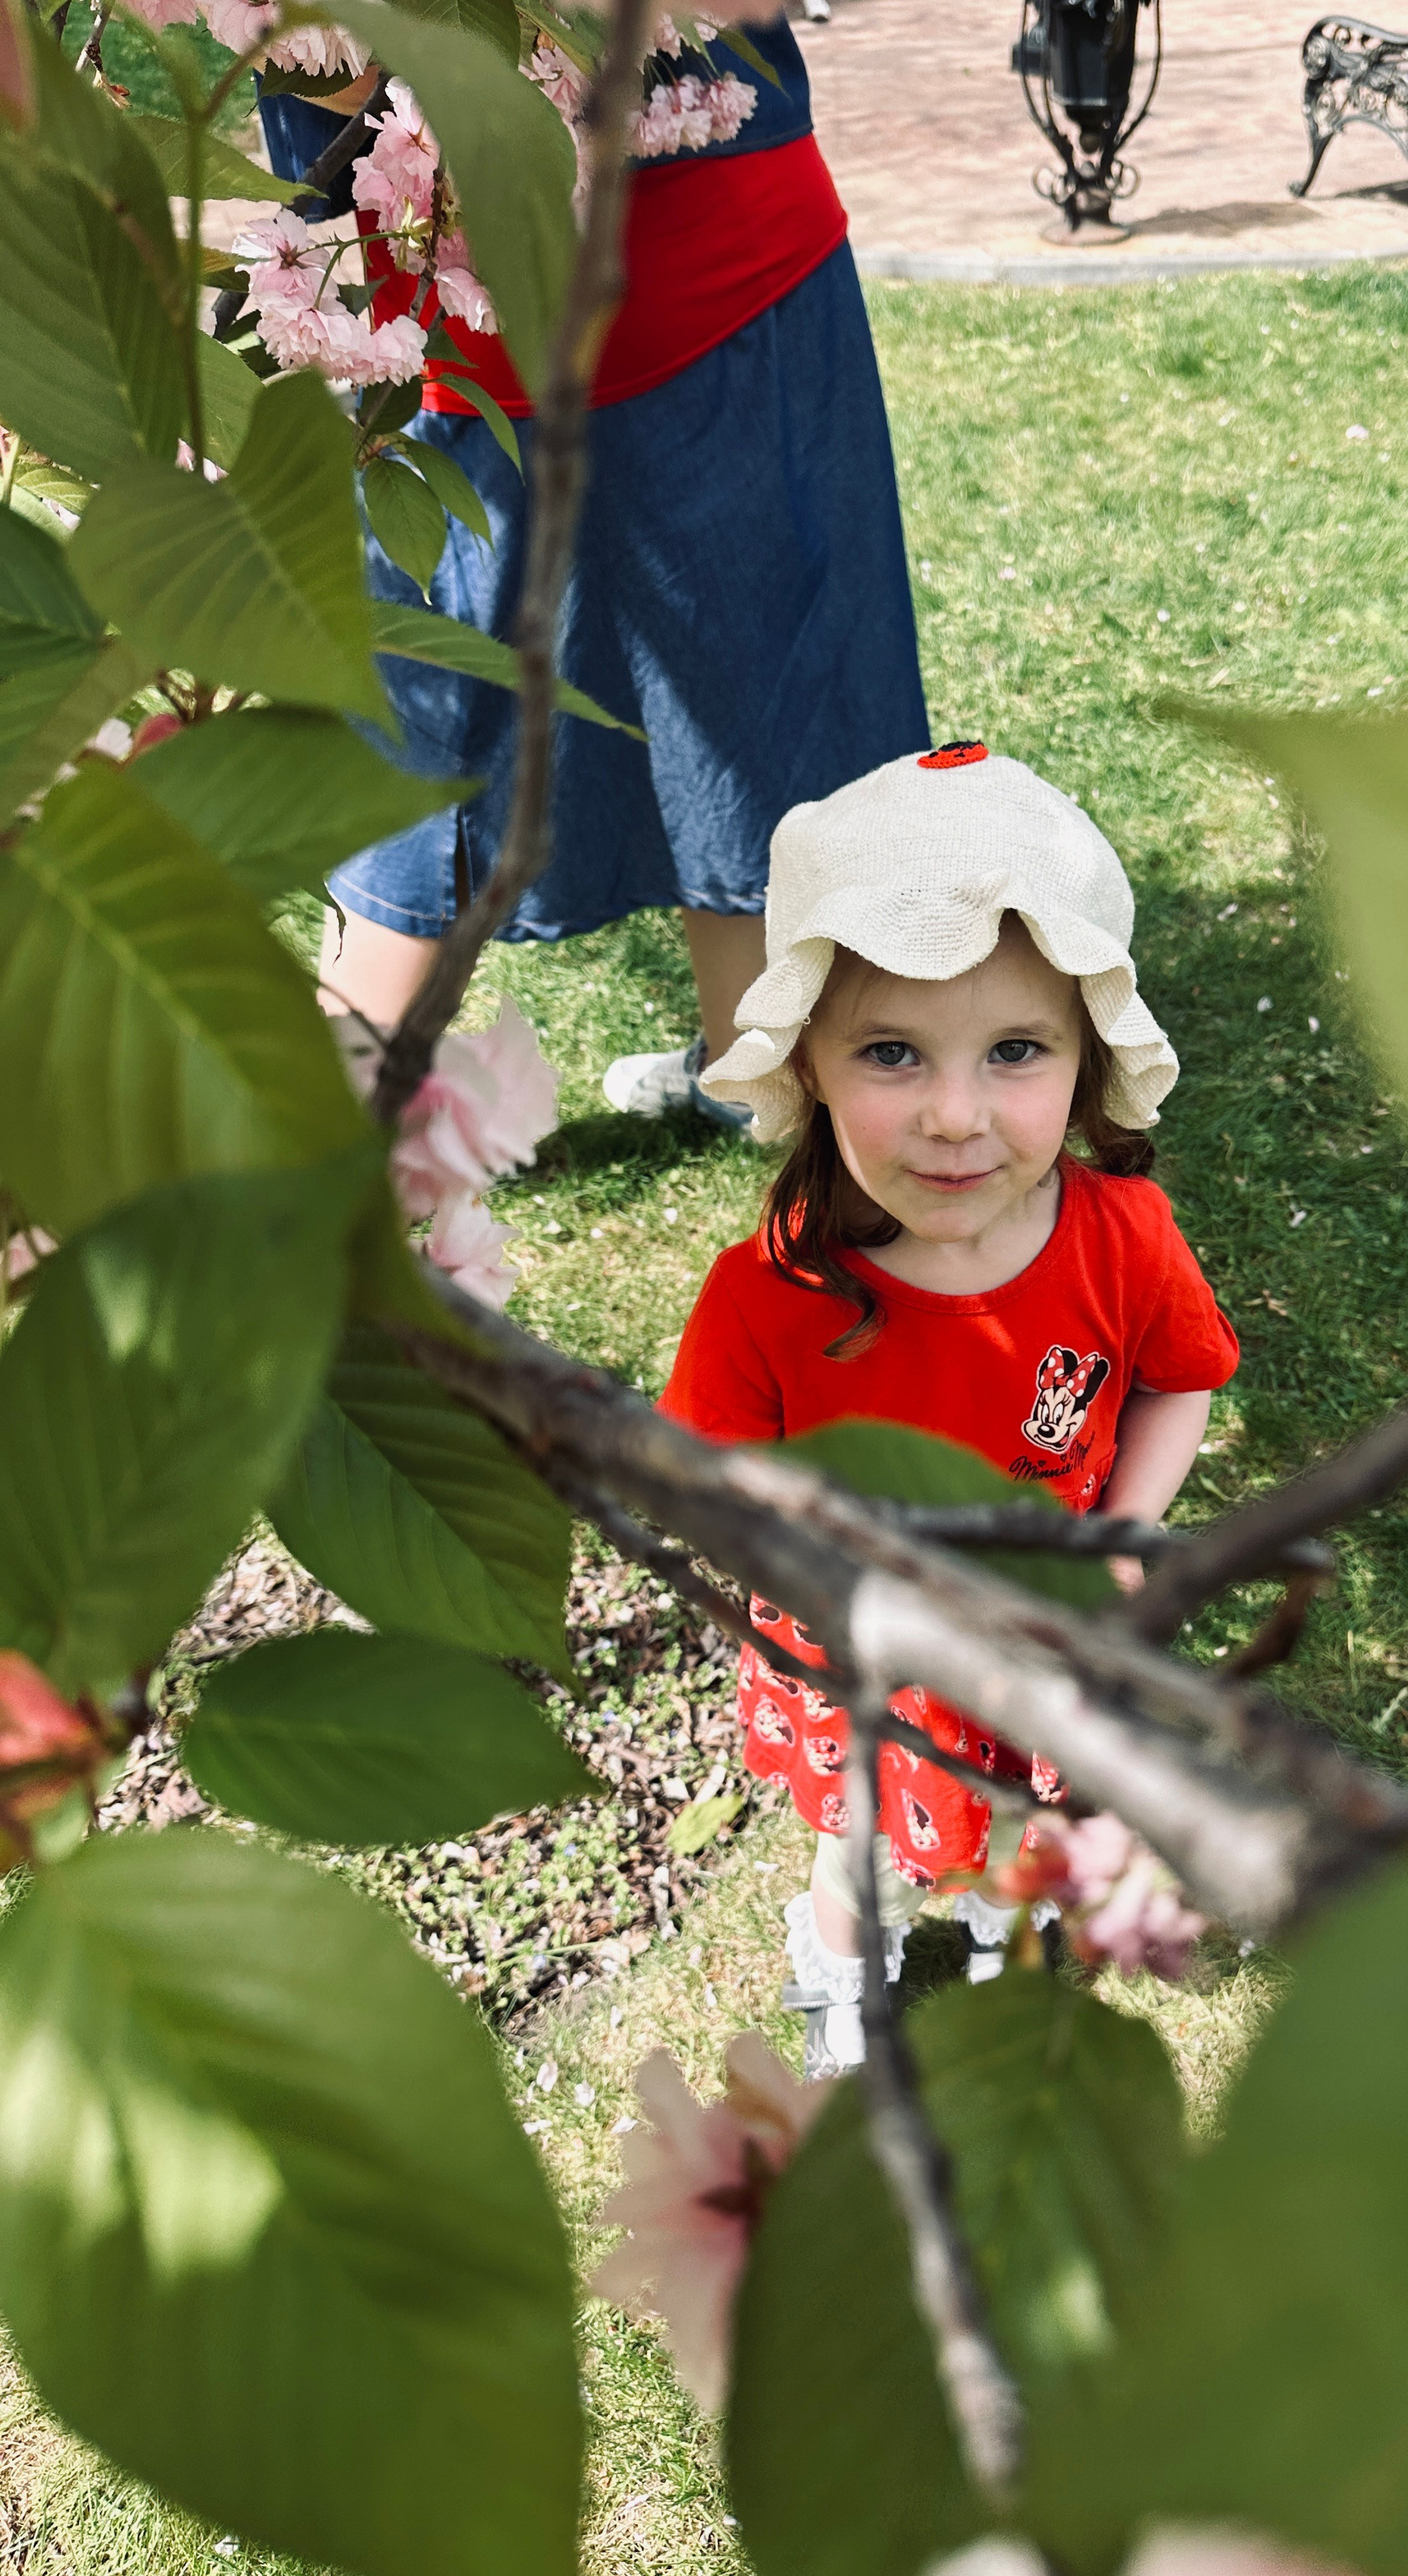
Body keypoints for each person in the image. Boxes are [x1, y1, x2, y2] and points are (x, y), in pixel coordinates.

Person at [659, 741, 1238, 2071]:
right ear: (807, 1058)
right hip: (877, 1664)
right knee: (861, 1850)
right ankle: (845, 1978)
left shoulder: (1127, 1239)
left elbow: (1179, 1382)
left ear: (1088, 1054)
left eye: (1016, 1049)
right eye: (894, 1053)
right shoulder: (771, 1293)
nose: (957, 1116)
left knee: (1011, 1841)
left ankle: (990, 1937)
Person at [257, 18, 929, 1106]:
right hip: (518, 286)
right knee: (742, 685)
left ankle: (749, 1074)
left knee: (474, 716)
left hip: (641, 263)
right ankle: (341, 1134)